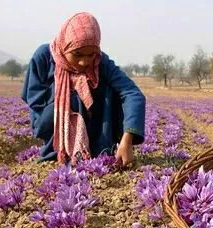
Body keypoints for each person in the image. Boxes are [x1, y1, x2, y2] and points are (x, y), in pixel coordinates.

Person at [21, 12, 145, 166]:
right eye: (77, 54)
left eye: (91, 54)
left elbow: (132, 93)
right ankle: (62, 151)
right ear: (65, 45)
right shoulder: (45, 56)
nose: (84, 62)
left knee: (110, 88)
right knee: (77, 92)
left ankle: (101, 147)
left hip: (94, 125)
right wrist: (71, 92)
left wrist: (127, 139)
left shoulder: (100, 61)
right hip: (51, 122)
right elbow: (35, 100)